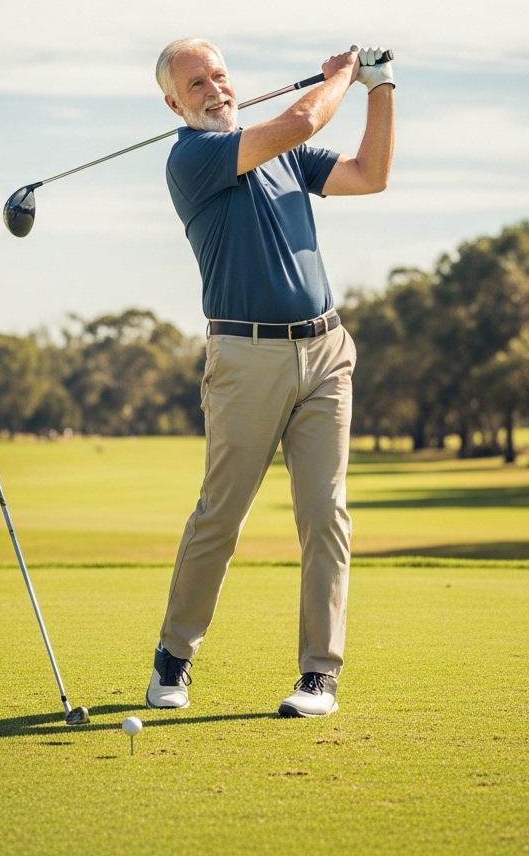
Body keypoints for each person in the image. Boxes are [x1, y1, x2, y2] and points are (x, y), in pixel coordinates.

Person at [145, 40, 395, 717]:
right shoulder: (192, 157)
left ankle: (319, 675)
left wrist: (380, 88)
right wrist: (343, 75)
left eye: (219, 76)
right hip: (245, 358)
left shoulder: (285, 155)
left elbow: (370, 175)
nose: (213, 90)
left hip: (326, 351)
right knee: (220, 516)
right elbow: (302, 121)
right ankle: (174, 655)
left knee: (326, 515)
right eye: (196, 85)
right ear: (174, 103)